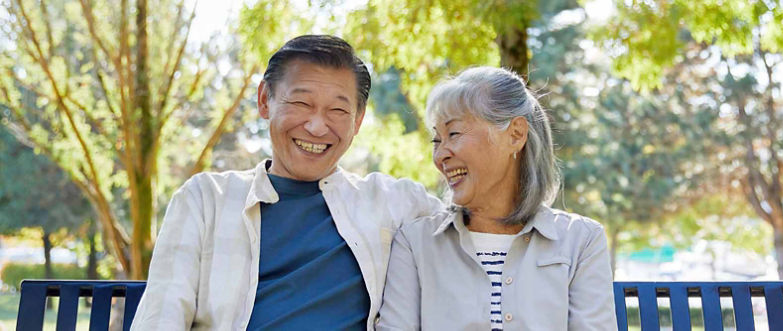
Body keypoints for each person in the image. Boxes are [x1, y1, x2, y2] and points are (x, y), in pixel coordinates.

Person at [131, 35, 441, 330]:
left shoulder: (395, 202)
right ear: (265, 100)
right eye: (301, 104)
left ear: (357, 120)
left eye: (337, 110)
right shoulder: (205, 200)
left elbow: (478, 217)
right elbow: (162, 315)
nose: (317, 127)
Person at [376, 67, 618, 330]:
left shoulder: (581, 241)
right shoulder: (414, 243)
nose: (440, 155)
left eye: (453, 134)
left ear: (515, 134)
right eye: (437, 139)